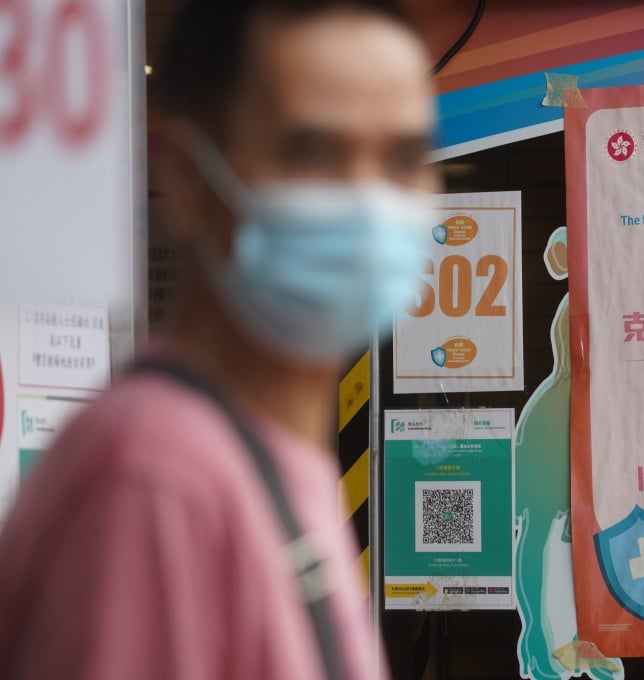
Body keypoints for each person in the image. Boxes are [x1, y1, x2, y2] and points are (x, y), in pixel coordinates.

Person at [0, 0, 437, 677]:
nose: (367, 202)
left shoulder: (273, 456)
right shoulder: (156, 480)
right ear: (184, 175)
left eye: (405, 159)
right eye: (312, 154)